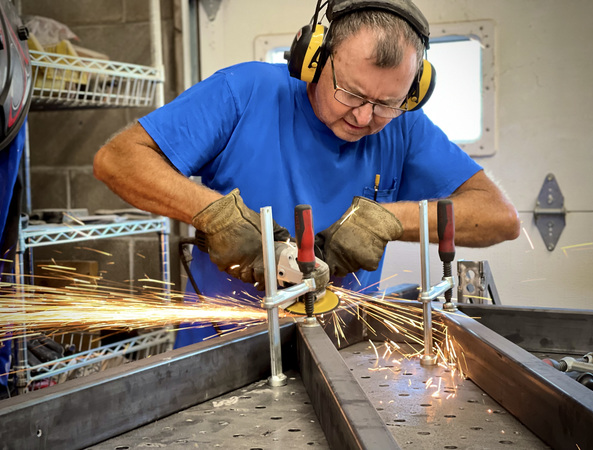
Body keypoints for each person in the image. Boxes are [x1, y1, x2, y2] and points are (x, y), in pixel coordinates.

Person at [93, 0, 520, 347]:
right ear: (314, 59)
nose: (365, 116)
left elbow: (499, 218)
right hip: (223, 347)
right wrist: (218, 217)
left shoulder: (404, 123)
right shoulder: (243, 92)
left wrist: (388, 221)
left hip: (345, 349)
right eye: (350, 92)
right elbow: (118, 159)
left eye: (387, 102)